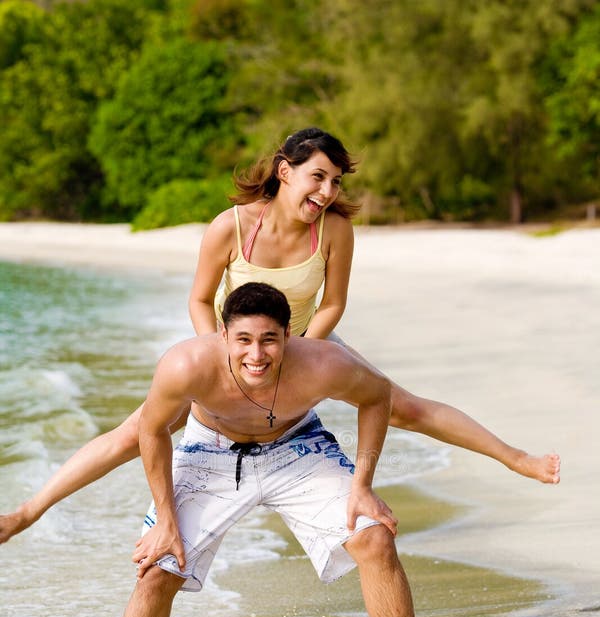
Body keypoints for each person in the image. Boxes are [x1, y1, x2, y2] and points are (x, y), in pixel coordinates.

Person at [0, 127, 560, 544]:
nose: (326, 190)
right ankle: (28, 511)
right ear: (285, 171)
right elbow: (199, 298)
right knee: (138, 429)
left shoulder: (335, 229)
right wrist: (215, 353)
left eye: (335, 181)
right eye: (318, 176)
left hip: (306, 339)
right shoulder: (235, 225)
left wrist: (306, 350)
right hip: (233, 347)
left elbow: (334, 300)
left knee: (399, 404)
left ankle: (516, 459)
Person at [115, 282, 447, 617]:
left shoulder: (325, 362)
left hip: (297, 447)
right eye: (245, 340)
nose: (257, 354)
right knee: (157, 572)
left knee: (375, 538)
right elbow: (151, 429)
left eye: (269, 340)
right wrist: (165, 519)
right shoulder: (185, 364)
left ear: (288, 335)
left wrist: (362, 486)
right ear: (223, 335)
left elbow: (378, 396)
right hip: (210, 452)